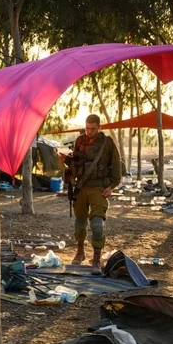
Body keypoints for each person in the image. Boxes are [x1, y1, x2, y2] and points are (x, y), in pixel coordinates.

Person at [64, 114, 121, 272]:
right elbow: (75, 161)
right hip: (81, 187)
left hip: (99, 188)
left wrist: (112, 186)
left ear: (99, 127)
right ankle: (80, 252)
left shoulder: (107, 143)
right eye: (87, 128)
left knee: (97, 225)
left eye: (92, 129)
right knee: (80, 224)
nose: (89, 131)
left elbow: (117, 167)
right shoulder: (79, 140)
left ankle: (96, 258)